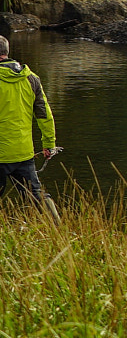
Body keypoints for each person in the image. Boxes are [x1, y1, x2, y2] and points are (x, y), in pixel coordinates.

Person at [0, 35, 60, 209]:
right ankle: (56, 229)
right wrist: (49, 144)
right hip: (23, 153)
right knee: (36, 197)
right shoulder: (31, 78)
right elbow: (44, 115)